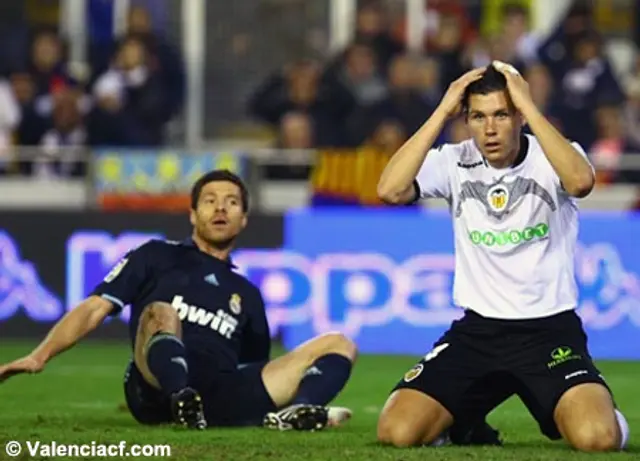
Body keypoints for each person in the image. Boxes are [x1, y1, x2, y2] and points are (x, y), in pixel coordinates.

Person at [375, 62, 630, 451]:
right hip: (478, 334)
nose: (489, 129)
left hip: (547, 333)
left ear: (519, 117)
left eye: (501, 115)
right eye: (477, 117)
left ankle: (607, 413)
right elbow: (390, 190)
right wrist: (442, 110)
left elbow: (580, 182)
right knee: (397, 431)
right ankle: (467, 426)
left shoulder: (554, 157)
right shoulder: (454, 161)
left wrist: (530, 106)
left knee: (598, 438)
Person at [0, 170, 357, 431]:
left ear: (244, 219)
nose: (221, 209)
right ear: (192, 214)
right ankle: (181, 397)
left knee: (339, 342)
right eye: (210, 201)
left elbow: (255, 364)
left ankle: (297, 413)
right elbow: (95, 307)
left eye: (231, 203)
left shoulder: (247, 293)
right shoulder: (156, 255)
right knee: (162, 312)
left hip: (221, 393)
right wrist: (39, 355)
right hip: (154, 389)